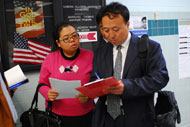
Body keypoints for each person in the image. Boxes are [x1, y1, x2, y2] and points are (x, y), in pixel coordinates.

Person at [91, 2, 169, 127]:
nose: (110, 35)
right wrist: (95, 88)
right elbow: (94, 77)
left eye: (116, 29)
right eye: (105, 30)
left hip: (137, 118)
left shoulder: (150, 47)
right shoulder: (101, 51)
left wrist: (127, 86)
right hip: (106, 118)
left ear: (127, 24)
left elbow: (160, 78)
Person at [38, 22, 94, 127]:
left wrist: (89, 95)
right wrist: (47, 93)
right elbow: (42, 84)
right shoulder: (50, 58)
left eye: (74, 36)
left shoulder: (90, 56)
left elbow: (96, 81)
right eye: (66, 38)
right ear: (58, 43)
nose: (72, 40)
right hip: (56, 116)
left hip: (85, 114)